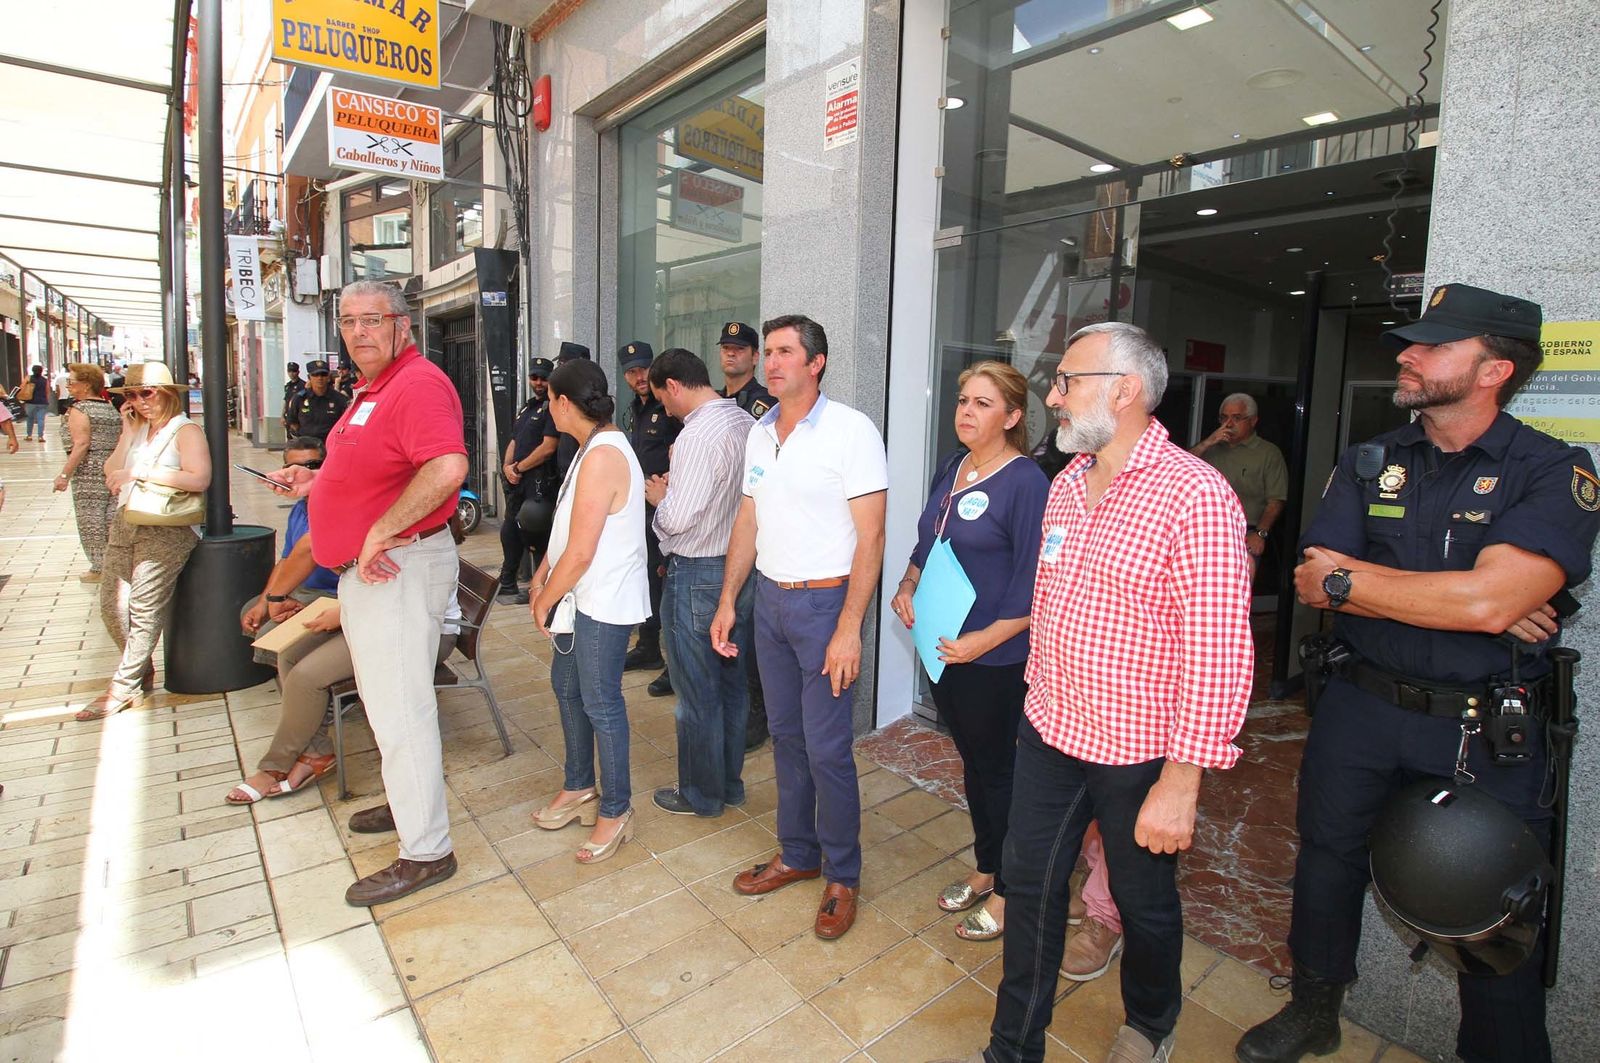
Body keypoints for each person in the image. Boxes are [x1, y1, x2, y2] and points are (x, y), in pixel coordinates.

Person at [1236, 284, 1600, 1063]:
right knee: (1325, 857)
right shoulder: (1372, 458)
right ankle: (1314, 1007)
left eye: (1434, 344)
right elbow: (1311, 578)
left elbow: (1485, 599)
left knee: (1489, 898)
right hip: (1361, 707)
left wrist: (1370, 584)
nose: (1407, 352)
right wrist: (1469, 598)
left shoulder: (1551, 468)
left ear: (1495, 369)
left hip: (1483, 726)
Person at [968, 321, 1254, 1063]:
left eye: (1068, 381)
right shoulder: (1064, 486)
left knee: (1144, 901)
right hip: (1052, 732)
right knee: (1029, 889)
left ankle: (1151, 1024)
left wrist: (1183, 777)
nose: (1054, 396)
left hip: (1138, 752)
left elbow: (1220, 648)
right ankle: (1012, 1047)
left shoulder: (1196, 494)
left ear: (1124, 391)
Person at [269, 280, 468, 908]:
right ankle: (411, 804)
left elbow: (447, 468)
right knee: (389, 709)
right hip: (372, 572)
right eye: (349, 321)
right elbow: (370, 469)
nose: (359, 332)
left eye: (372, 320)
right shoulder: (369, 391)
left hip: (397, 569)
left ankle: (427, 851)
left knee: (400, 709)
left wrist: (381, 529)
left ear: (401, 326)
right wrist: (314, 480)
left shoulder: (416, 383)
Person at [711, 314, 888, 940]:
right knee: (785, 738)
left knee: (828, 747)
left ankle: (842, 872)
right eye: (769, 353)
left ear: (817, 363)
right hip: (772, 604)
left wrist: (849, 627)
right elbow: (748, 520)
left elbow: (872, 535)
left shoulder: (851, 431)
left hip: (824, 606)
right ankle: (797, 852)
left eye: (786, 352)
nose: (771, 363)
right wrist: (730, 597)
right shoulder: (760, 433)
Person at [889, 361, 1047, 944]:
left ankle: (1009, 890)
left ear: (1011, 416)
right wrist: (906, 586)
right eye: (962, 399)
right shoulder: (954, 467)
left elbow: (1036, 579)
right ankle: (986, 866)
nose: (966, 411)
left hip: (993, 658)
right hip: (943, 649)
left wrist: (981, 641)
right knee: (975, 767)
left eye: (983, 403)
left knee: (1000, 773)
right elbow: (927, 540)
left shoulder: (1026, 481)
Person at [228, 439, 466, 804]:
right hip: (372, 612)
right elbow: (328, 559)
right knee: (289, 654)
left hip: (411, 625)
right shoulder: (368, 509)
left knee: (307, 677)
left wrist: (339, 612)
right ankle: (316, 751)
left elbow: (403, 587)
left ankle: (275, 765)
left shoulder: (413, 522)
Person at [528, 358, 649, 864]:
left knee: (601, 702)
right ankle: (580, 785)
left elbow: (583, 549)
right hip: (582, 596)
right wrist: (543, 572)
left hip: (603, 599)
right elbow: (568, 529)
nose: (546, 408)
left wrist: (546, 595)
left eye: (550, 399)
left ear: (562, 402)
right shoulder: (589, 448)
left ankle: (617, 807)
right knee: (566, 685)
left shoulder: (603, 454)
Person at [643, 348, 758, 818]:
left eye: (663, 400)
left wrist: (659, 498)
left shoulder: (695, 436)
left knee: (696, 693)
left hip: (698, 573)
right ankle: (728, 784)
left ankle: (700, 794)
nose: (665, 411)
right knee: (731, 686)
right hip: (739, 570)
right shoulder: (745, 423)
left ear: (674, 385)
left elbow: (679, 518)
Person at [83, 362, 212, 721]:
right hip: (128, 519)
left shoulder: (184, 430)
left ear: (166, 392)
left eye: (147, 392)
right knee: (111, 603)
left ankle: (123, 687)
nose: (140, 401)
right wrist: (127, 432)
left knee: (143, 607)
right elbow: (111, 470)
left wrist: (139, 472)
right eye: (132, 395)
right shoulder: (138, 430)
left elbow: (199, 478)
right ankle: (137, 668)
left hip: (167, 525)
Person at [718, 320, 774, 750]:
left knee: (750, 626)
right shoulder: (716, 403)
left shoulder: (764, 405)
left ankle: (758, 711)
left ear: (755, 357)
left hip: (754, 525)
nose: (731, 354)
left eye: (740, 349)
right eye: (726, 348)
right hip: (720, 527)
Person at [619, 341, 681, 697]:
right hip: (641, 508)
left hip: (668, 506)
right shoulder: (635, 410)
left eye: (643, 369)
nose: (639, 376)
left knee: (669, 586)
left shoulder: (668, 406)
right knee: (647, 581)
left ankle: (675, 666)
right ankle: (647, 647)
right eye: (632, 371)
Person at [1190, 392, 1288, 576]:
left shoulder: (1268, 453)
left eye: (1237, 418)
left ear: (1253, 421)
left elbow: (1276, 500)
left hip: (1244, 534)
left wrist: (1260, 533)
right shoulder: (1212, 448)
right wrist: (1207, 443)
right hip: (1204, 530)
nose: (1229, 424)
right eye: (1224, 417)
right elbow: (1179, 466)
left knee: (1236, 591)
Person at [53, 364, 122, 583]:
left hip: (89, 469)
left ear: (86, 385)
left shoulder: (80, 409)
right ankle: (113, 563)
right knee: (110, 517)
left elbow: (81, 444)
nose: (69, 386)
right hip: (111, 464)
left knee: (90, 519)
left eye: (72, 382)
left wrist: (64, 475)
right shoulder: (108, 407)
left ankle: (99, 567)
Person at [497, 357, 556, 605]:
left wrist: (518, 467)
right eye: (535, 377)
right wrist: (506, 466)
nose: (539, 383)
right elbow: (514, 439)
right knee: (510, 531)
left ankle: (542, 586)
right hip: (518, 482)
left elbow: (548, 447)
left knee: (536, 533)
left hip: (538, 482)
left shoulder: (553, 408)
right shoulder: (527, 407)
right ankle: (507, 581)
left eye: (543, 378)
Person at [542, 342, 593, 484]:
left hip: (580, 476)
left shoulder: (587, 399)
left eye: (562, 364)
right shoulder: (563, 395)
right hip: (564, 473)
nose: (558, 369)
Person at [285, 360, 349, 442]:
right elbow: (293, 422)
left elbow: (345, 423)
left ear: (328, 377)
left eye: (323, 374)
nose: (320, 378)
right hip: (307, 445)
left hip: (330, 444)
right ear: (309, 377)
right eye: (315, 375)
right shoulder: (299, 398)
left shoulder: (339, 399)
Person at [23, 364, 50, 442]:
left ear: (32, 370)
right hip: (42, 402)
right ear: (41, 371)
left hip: (30, 401)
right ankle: (40, 437)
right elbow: (47, 391)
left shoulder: (28, 378)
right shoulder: (45, 380)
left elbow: (22, 387)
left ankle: (29, 435)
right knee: (41, 419)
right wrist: (46, 400)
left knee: (30, 418)